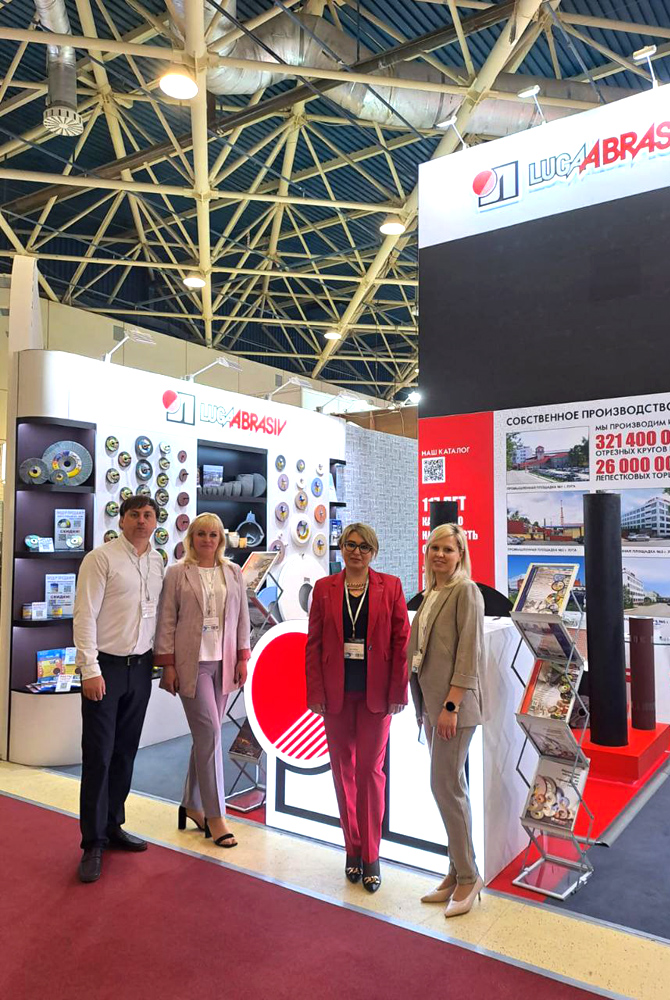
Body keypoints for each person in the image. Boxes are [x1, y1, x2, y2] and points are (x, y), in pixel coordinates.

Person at [305, 522, 409, 892]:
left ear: (373, 552)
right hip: (335, 694)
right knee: (342, 771)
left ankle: (372, 855)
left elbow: (401, 643)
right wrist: (314, 692)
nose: (356, 551)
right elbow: (314, 643)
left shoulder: (390, 586)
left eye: (364, 546)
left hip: (375, 696)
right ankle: (352, 848)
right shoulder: (324, 588)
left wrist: (398, 692)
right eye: (350, 544)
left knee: (370, 772)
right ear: (341, 547)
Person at [74, 496, 165, 884]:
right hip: (106, 670)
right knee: (99, 755)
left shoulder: (157, 561)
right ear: (122, 520)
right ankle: (92, 842)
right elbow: (84, 615)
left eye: (148, 515)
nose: (141, 521)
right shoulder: (101, 559)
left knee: (126, 753)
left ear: (155, 521)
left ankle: (113, 826)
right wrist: (89, 669)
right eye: (134, 515)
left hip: (141, 669)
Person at [154, 512, 251, 849]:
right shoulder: (177, 573)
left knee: (205, 737)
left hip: (225, 662)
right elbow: (166, 620)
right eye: (201, 534)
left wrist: (243, 656)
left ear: (220, 539)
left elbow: (242, 617)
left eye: (213, 534)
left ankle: (192, 804)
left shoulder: (233, 572)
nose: (207, 540)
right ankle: (215, 815)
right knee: (210, 732)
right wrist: (167, 665)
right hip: (191, 665)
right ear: (191, 538)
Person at [407, 523, 485, 917]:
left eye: (448, 549)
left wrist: (451, 706)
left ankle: (469, 876)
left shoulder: (465, 591)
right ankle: (455, 872)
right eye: (434, 547)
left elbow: (469, 654)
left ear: (460, 555)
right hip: (432, 705)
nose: (439, 554)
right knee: (451, 787)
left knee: (445, 787)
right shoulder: (431, 593)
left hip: (453, 709)